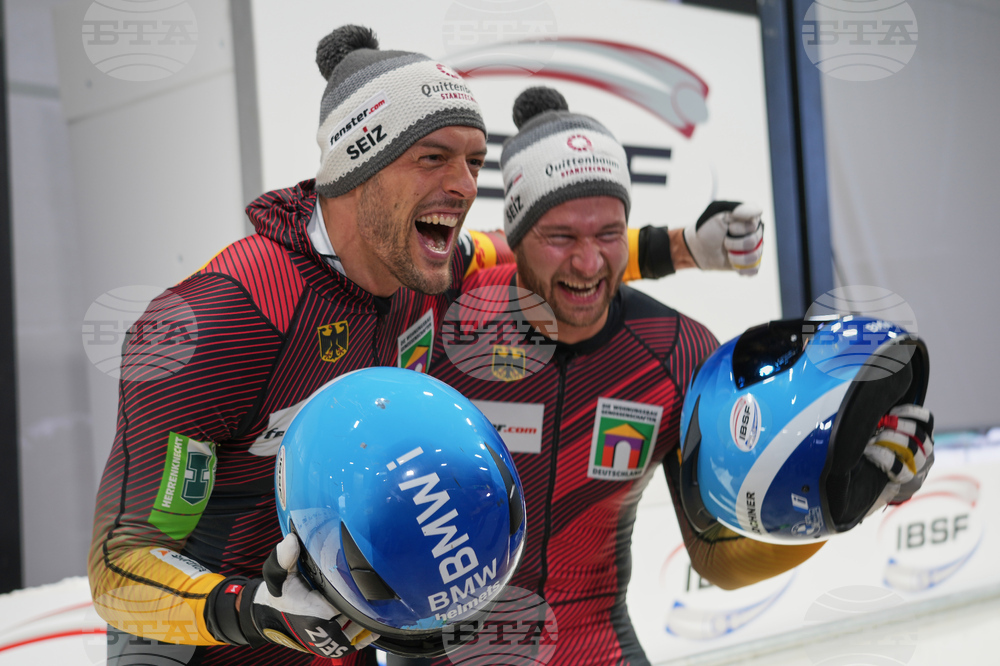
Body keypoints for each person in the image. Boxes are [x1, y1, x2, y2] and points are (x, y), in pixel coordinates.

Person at [87, 28, 758, 666]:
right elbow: (120, 564)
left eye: (473, 160)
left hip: (336, 637)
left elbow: (526, 247)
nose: (465, 185)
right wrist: (252, 609)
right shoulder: (224, 318)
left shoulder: (425, 267)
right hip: (205, 642)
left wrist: (684, 249)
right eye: (433, 157)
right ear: (358, 167)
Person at [409, 87, 935, 665]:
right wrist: (676, 246)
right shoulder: (446, 312)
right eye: (560, 237)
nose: (589, 264)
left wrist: (838, 506)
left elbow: (717, 559)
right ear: (515, 235)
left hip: (593, 645)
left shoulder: (675, 352)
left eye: (610, 234)